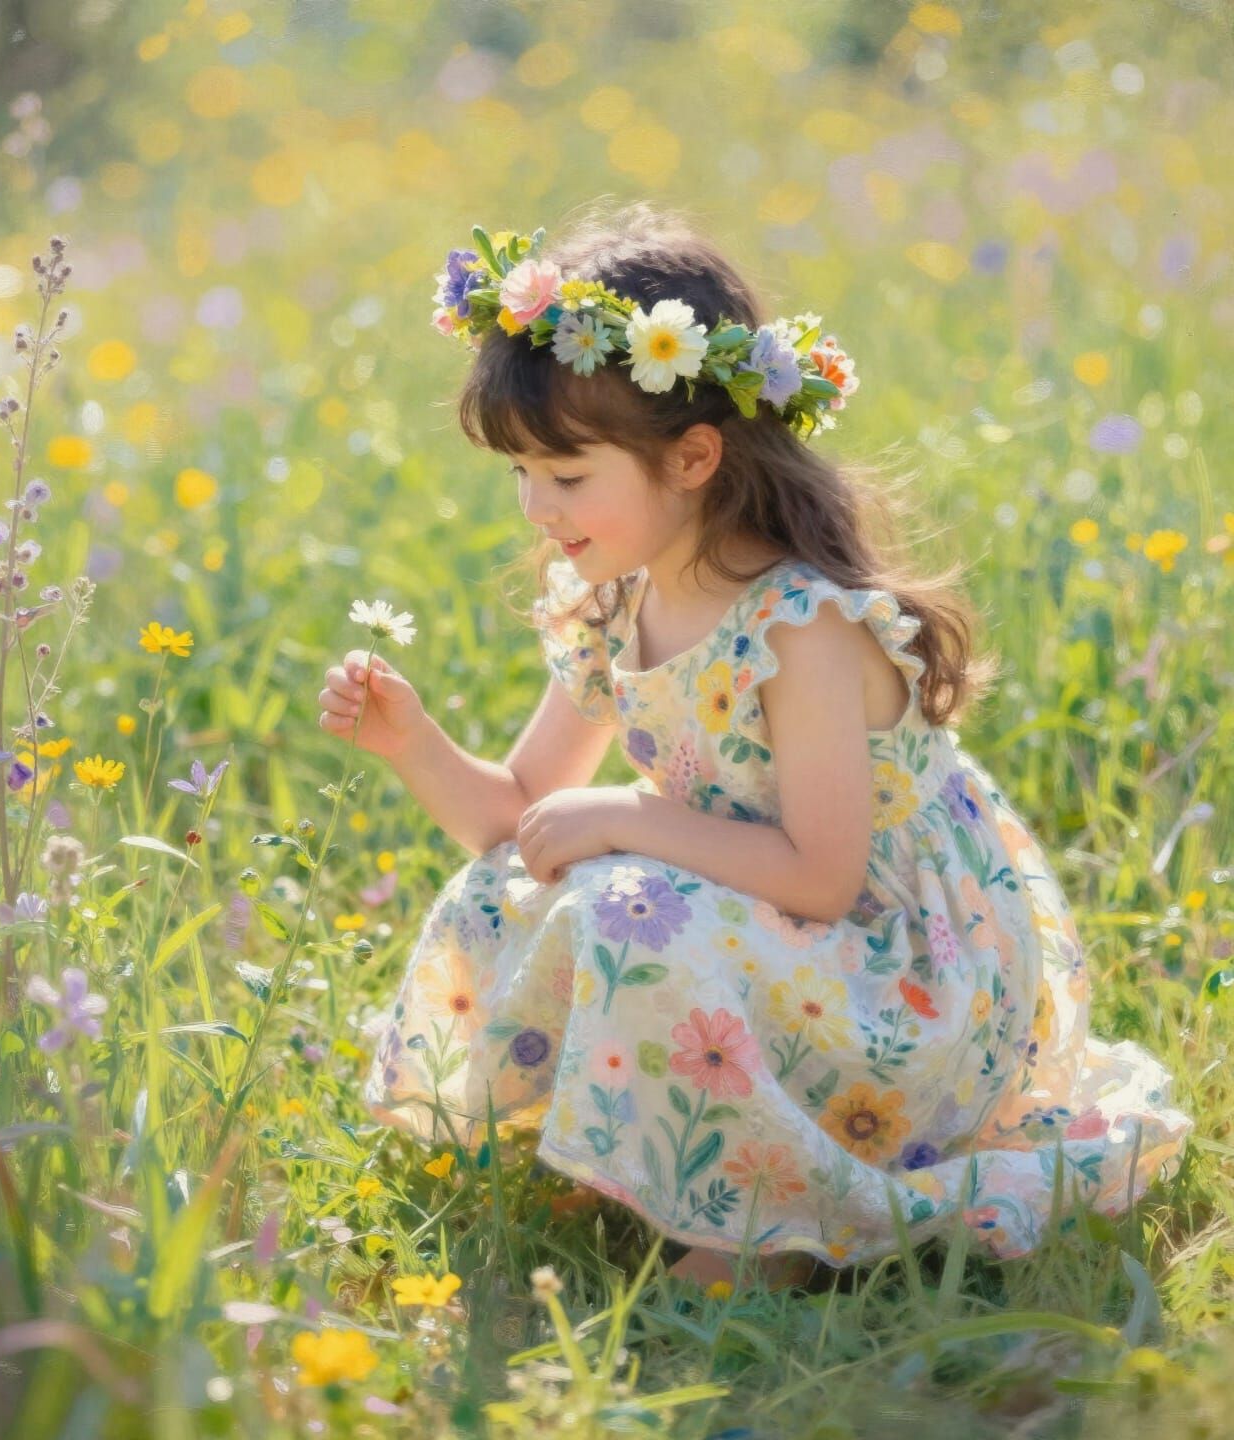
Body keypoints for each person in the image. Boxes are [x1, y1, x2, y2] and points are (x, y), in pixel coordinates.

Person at [319, 201, 1193, 1292]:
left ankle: (768, 1225)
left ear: (692, 456)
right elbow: (524, 817)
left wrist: (629, 817)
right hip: (769, 933)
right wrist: (412, 741)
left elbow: (823, 876)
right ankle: (647, 1146)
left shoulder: (799, 626)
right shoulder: (617, 599)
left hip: (898, 981)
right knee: (510, 891)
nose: (537, 506)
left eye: (569, 475)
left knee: (628, 905)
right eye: (521, 474)